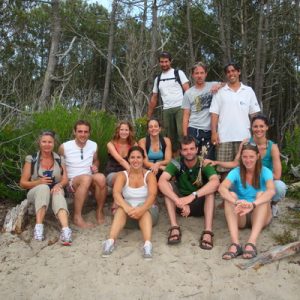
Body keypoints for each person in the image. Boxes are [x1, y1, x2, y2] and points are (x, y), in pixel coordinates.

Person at [205, 114, 287, 216]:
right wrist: (217, 162)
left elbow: (277, 175)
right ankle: (238, 202)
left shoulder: (272, 147)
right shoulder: (246, 143)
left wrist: (258, 173)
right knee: (229, 182)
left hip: (263, 181)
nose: (258, 129)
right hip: (246, 179)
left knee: (280, 186)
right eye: (255, 126)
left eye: (261, 126)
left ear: (267, 127)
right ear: (251, 128)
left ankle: (272, 204)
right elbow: (236, 163)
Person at [158, 136, 219, 249]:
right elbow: (161, 181)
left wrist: (192, 197)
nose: (189, 152)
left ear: (197, 149)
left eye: (191, 149)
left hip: (199, 203)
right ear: (181, 151)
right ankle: (174, 227)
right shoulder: (176, 162)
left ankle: (208, 231)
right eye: (185, 149)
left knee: (210, 191)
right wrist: (179, 201)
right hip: (180, 204)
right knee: (167, 186)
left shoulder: (203, 162)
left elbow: (215, 182)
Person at [219, 142, 275, 260]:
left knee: (261, 194)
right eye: (245, 157)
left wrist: (253, 204)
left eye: (251, 157)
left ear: (257, 156)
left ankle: (251, 243)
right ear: (241, 157)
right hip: (242, 213)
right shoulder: (237, 171)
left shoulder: (265, 171)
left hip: (259, 213)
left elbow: (271, 191)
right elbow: (222, 188)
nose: (248, 160)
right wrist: (235, 202)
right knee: (231, 194)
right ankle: (235, 244)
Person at [102, 146, 158, 259]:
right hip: (128, 215)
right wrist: (127, 208)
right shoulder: (122, 175)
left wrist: (141, 209)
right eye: (132, 157)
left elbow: (152, 196)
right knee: (121, 207)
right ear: (128, 159)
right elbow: (116, 194)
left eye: (138, 157)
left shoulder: (149, 175)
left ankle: (147, 244)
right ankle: (110, 241)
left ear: (143, 159)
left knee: (144, 207)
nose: (135, 160)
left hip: (148, 214)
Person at [209, 62, 260, 179]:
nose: (231, 73)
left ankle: (244, 195)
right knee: (224, 171)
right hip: (224, 137)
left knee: (245, 167)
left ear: (238, 72)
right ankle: (227, 195)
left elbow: (254, 115)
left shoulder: (248, 91)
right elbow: (214, 114)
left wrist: (256, 134)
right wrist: (214, 133)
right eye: (228, 72)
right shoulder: (220, 92)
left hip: (244, 137)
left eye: (233, 71)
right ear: (226, 75)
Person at [20, 131, 72, 245]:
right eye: (44, 142)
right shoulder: (32, 159)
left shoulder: (59, 159)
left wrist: (60, 184)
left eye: (50, 142)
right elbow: (23, 183)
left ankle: (66, 230)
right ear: (39, 143)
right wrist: (39, 182)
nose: (47, 144)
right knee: (43, 187)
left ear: (54, 144)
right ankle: (39, 228)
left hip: (54, 189)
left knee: (58, 192)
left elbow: (65, 179)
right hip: (36, 191)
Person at [58, 120, 107, 228]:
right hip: (73, 181)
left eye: (86, 132)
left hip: (89, 177)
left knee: (101, 177)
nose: (83, 134)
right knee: (86, 179)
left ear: (89, 133)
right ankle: (77, 217)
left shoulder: (93, 145)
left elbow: (96, 160)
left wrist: (96, 166)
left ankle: (99, 211)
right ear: (74, 132)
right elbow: (59, 165)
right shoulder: (64, 147)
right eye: (80, 131)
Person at [147, 51, 189, 156]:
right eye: (162, 62)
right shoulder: (158, 78)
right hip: (166, 110)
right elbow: (154, 97)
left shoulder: (178, 73)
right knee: (169, 137)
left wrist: (190, 110)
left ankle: (185, 157)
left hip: (180, 107)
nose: (164, 64)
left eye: (166, 61)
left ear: (170, 61)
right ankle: (173, 159)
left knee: (182, 133)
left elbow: (188, 92)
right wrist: (148, 116)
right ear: (159, 63)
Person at [182, 62, 223, 159]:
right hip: (193, 129)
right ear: (192, 75)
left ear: (206, 74)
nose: (199, 76)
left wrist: (220, 85)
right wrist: (185, 135)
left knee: (207, 159)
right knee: (192, 158)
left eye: (202, 73)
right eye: (196, 73)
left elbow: (229, 84)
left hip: (210, 131)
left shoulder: (213, 85)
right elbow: (186, 115)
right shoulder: (188, 93)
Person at [105, 121, 136, 188]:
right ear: (118, 131)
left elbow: (137, 160)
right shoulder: (110, 144)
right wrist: (134, 173)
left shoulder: (134, 145)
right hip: (113, 173)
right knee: (121, 177)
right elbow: (120, 160)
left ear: (130, 131)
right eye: (121, 129)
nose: (124, 132)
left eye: (126, 130)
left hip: (128, 172)